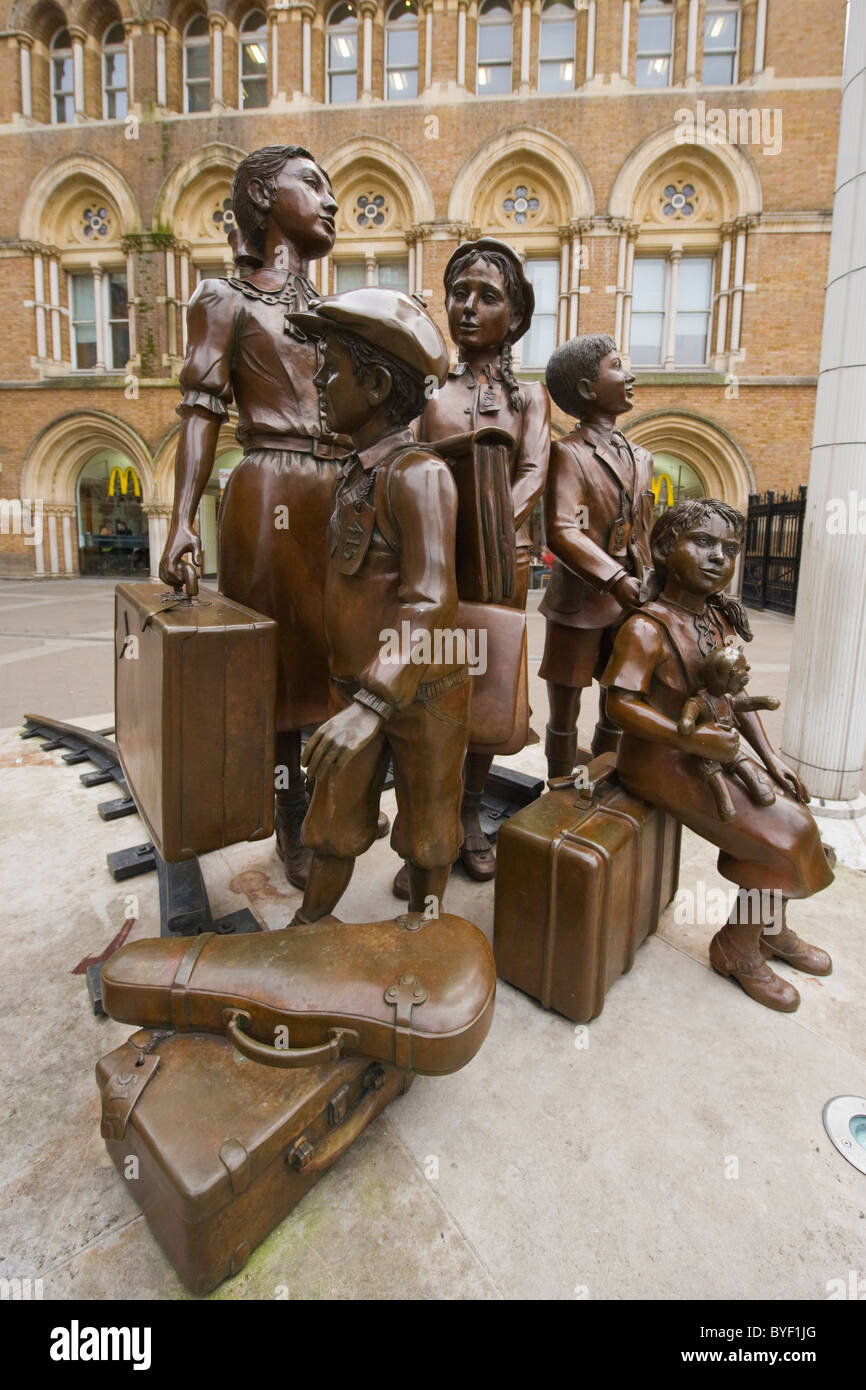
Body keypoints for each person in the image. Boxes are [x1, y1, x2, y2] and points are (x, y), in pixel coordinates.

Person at [158, 145, 343, 888]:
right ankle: (288, 817)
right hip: (270, 487)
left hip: (344, 491)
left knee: (341, 654)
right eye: (313, 184)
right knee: (281, 665)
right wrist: (180, 521)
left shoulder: (335, 311)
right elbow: (202, 411)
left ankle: (334, 795)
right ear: (264, 196)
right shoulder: (223, 299)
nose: (330, 201)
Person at [602, 498, 834, 1013]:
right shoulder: (646, 627)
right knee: (781, 836)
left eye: (728, 549)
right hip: (661, 762)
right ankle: (736, 948)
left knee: (796, 819)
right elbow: (618, 704)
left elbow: (732, 697)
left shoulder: (716, 618)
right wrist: (688, 740)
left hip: (713, 753)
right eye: (702, 542)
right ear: (665, 547)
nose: (717, 557)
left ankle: (767, 927)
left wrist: (772, 760)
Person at [283, 287, 468, 921]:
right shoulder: (354, 472)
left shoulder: (419, 476)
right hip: (354, 688)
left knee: (430, 825)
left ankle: (426, 929)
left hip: (422, 694)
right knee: (332, 815)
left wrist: (374, 700)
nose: (319, 383)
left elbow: (431, 599)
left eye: (330, 368)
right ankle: (310, 924)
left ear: (379, 384)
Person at [396, 236, 549, 887]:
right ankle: (422, 835)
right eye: (459, 293)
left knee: (485, 695)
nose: (468, 306)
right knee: (430, 694)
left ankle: (469, 819)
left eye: (486, 296)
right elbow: (407, 467)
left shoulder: (530, 399)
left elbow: (535, 470)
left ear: (512, 316)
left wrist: (493, 524)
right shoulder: (429, 395)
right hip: (436, 568)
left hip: (502, 567)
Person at [540, 333, 654, 777]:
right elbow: (561, 529)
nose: (629, 375)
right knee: (565, 709)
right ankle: (560, 785)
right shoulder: (567, 454)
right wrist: (615, 578)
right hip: (579, 605)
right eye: (616, 366)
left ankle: (608, 773)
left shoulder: (641, 456)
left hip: (632, 605)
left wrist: (651, 580)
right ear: (588, 389)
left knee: (619, 703)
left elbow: (645, 530)